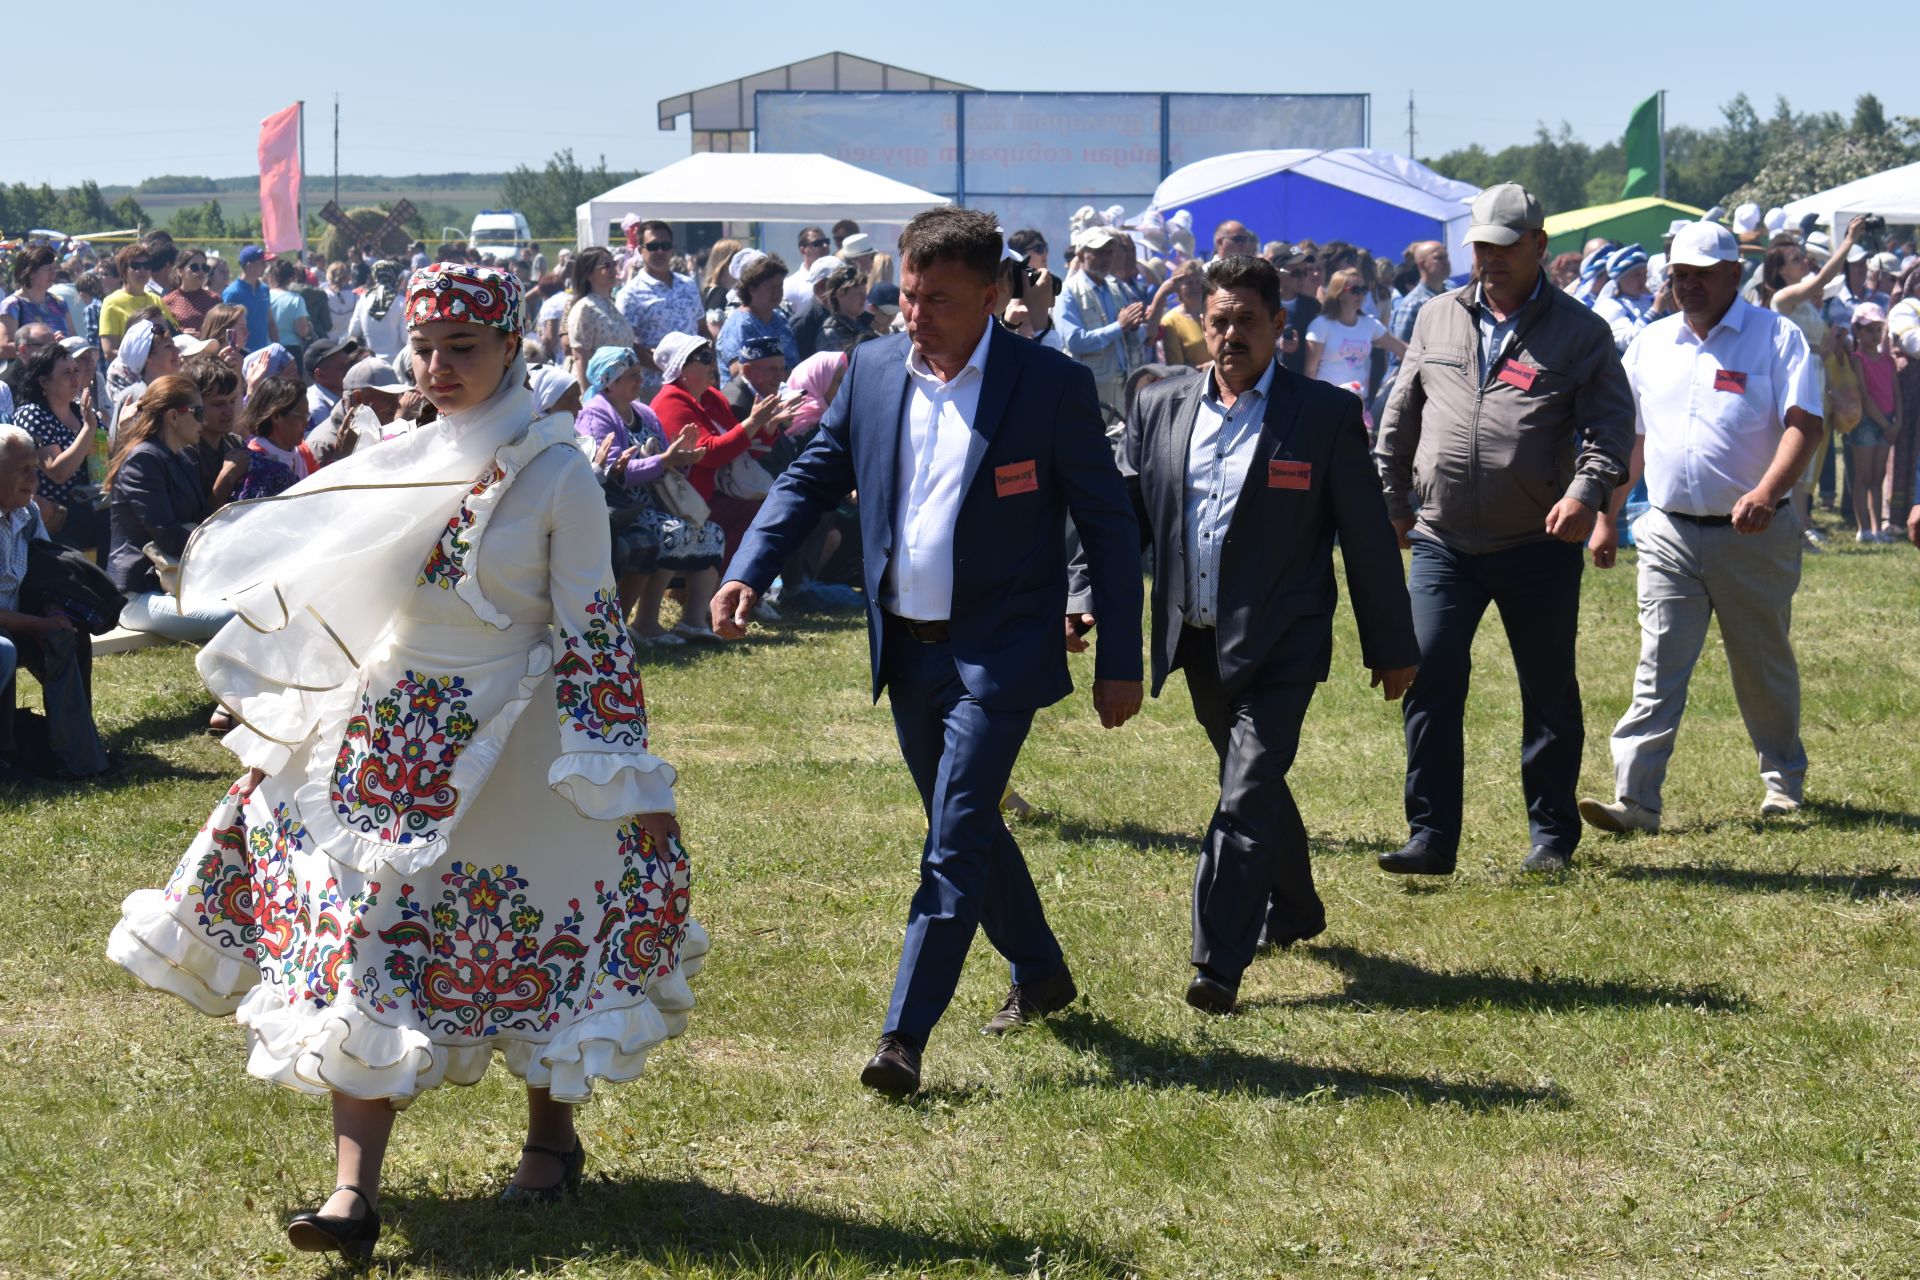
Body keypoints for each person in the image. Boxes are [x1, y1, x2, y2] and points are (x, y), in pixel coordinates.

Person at [108, 262, 707, 1261]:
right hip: (386, 746)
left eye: (462, 348)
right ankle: (353, 1191)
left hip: (519, 746)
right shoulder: (407, 452)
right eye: (425, 348)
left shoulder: (559, 472)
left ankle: (551, 1143)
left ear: (514, 345)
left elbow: (595, 631)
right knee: (370, 941)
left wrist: (623, 773)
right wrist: (274, 699)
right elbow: (334, 587)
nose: (438, 367)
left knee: (533, 942)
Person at [711, 207, 1144, 1097]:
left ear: (993, 296)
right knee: (968, 823)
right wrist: (750, 565)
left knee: (951, 842)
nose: (915, 316)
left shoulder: (1047, 385)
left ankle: (903, 1037)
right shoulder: (872, 371)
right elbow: (812, 475)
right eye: (906, 296)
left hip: (1001, 652)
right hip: (907, 653)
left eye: (939, 301)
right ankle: (1041, 970)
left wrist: (1121, 656)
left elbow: (1108, 523)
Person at [1069, 254, 1417, 1013]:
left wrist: (1392, 645)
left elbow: (1364, 536)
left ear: (1278, 329)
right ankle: (1295, 906)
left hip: (1284, 641)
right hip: (1196, 639)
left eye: (1247, 323)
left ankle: (1217, 961)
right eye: (1219, 320)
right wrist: (1087, 590)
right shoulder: (1160, 404)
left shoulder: (1321, 415)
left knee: (1244, 791)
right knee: (1249, 780)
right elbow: (1122, 514)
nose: (1230, 336)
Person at [1373, 183, 1633, 875]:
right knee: (1427, 676)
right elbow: (1400, 412)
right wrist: (1394, 499)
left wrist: (1586, 492)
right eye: (1479, 246)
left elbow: (1611, 429)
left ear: (1538, 245)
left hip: (1538, 544)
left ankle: (1551, 839)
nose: (1488, 259)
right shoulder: (1435, 316)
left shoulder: (1581, 332)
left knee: (1547, 689)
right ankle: (1430, 837)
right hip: (1441, 540)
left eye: (1503, 245)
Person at [1580, 221, 1824, 835]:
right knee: (1658, 661)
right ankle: (1635, 801)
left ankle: (1782, 783)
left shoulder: (1777, 336)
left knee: (1761, 661)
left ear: (1734, 276)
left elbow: (1805, 425)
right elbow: (1630, 440)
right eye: (1678, 275)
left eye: (1700, 276)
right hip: (1667, 530)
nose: (1686, 286)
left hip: (1755, 533)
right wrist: (1608, 518)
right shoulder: (1651, 343)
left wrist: (1768, 492)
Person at [574, 345, 724, 642]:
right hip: (621, 508)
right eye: (631, 376)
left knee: (712, 533)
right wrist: (666, 459)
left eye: (639, 374)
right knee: (673, 534)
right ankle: (645, 622)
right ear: (609, 381)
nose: (639, 381)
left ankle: (693, 621)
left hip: (655, 504)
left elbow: (665, 461)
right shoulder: (596, 414)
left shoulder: (643, 412)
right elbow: (616, 474)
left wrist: (683, 459)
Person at [0, 423, 107, 781]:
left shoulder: (28, 513)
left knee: (69, 634)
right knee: (6, 649)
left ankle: (78, 749)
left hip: (20, 616)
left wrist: (53, 611)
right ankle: (8, 755)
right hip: (5, 626)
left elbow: (46, 572)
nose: (33, 480)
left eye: (35, 469)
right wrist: (38, 625)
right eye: (23, 470)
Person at [102, 376, 237, 642]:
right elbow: (168, 535)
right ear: (173, 417)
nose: (204, 421)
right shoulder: (143, 459)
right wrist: (225, 551)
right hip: (139, 592)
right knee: (229, 618)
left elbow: (201, 521)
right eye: (198, 412)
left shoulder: (183, 457)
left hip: (178, 582)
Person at [651, 332, 787, 569]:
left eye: (711, 355)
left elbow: (737, 452)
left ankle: (744, 586)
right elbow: (709, 454)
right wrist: (753, 423)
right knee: (759, 514)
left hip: (717, 492)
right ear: (681, 369)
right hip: (686, 501)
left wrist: (767, 428)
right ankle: (724, 588)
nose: (713, 363)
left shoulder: (711, 396)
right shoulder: (670, 402)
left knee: (779, 508)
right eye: (704, 357)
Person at [14, 342, 109, 559]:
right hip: (60, 517)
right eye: (66, 373)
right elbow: (58, 471)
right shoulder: (33, 414)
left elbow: (109, 452)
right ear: (44, 381)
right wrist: (88, 429)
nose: (75, 378)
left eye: (76, 371)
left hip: (95, 507)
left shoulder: (81, 411)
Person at [1055, 226, 1142, 419]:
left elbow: (1130, 333)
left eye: (1109, 252)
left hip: (1123, 385)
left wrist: (1135, 327)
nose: (1106, 258)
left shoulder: (1116, 288)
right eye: (1098, 252)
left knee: (1122, 445)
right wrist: (1119, 326)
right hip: (1090, 388)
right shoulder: (1067, 291)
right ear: (1080, 253)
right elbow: (1074, 341)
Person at [614, 221, 703, 400]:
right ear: (641, 250)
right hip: (655, 385)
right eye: (653, 246)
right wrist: (665, 365)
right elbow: (626, 344)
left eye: (665, 246)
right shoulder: (630, 294)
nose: (660, 252)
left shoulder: (688, 285)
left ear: (673, 248)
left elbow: (701, 327)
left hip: (695, 381)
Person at [1304, 268, 1406, 396]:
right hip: (1326, 402)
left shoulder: (1369, 323)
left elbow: (1401, 349)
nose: (1361, 295)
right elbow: (1310, 370)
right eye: (1355, 290)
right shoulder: (1321, 325)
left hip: (1358, 402)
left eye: (1363, 290)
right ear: (1339, 294)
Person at [1847, 302, 1900, 541]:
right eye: (1869, 330)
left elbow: (1896, 393)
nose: (1874, 335)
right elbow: (1865, 397)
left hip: (1887, 423)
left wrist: (1897, 421)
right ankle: (1864, 528)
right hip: (1868, 423)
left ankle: (1878, 528)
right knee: (1863, 477)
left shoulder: (1888, 361)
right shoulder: (1857, 359)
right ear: (1857, 331)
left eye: (1878, 329)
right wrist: (1886, 425)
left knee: (1878, 478)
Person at [180, 354, 249, 507]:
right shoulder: (184, 453)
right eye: (218, 404)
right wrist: (226, 479)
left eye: (232, 401)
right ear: (195, 404)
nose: (229, 410)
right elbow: (194, 520)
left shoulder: (235, 443)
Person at [232, 378, 314, 501]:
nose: (306, 423)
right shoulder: (253, 462)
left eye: (307, 415)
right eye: (301, 416)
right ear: (276, 416)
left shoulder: (303, 452)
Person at [715, 255, 800, 372]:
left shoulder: (781, 319)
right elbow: (737, 371)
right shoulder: (739, 325)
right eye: (770, 287)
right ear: (752, 289)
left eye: (779, 286)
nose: (776, 292)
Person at [563, 247, 634, 387]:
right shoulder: (585, 308)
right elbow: (580, 357)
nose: (613, 269)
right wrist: (589, 398)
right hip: (598, 388)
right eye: (606, 266)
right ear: (589, 274)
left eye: (614, 264)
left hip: (619, 387)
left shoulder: (610, 305)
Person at [99, 246, 161, 359]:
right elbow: (109, 351)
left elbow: (170, 335)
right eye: (135, 266)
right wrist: (147, 358)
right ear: (123, 271)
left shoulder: (156, 299)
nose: (142, 270)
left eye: (146, 265)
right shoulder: (111, 302)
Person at [1592, 244, 1655, 353]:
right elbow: (1627, 343)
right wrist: (1655, 311)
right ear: (1621, 278)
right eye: (1636, 274)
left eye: (1644, 274)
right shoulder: (1609, 306)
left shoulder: (1647, 299)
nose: (1643, 279)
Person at [2, 246, 71, 343]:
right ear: (30, 272)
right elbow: (3, 347)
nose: (53, 274)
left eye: (54, 268)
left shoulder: (59, 302)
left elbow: (72, 337)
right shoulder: (13, 305)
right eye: (48, 269)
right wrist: (46, 344)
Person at [221, 246, 277, 355]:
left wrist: (277, 345)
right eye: (261, 262)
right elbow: (225, 326)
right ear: (249, 265)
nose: (265, 266)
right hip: (241, 353)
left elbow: (269, 319)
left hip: (263, 351)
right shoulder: (232, 292)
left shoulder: (264, 289)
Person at [347, 260, 408, 359]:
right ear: (396, 278)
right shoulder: (401, 302)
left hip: (369, 361)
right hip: (395, 363)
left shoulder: (363, 299)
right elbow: (406, 338)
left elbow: (353, 331)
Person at [161, 250, 221, 335]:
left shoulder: (215, 299)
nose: (200, 271)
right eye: (194, 267)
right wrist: (181, 334)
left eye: (204, 267)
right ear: (180, 271)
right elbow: (163, 332)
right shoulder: (167, 301)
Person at [817, 265, 872, 354]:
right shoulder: (830, 333)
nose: (864, 297)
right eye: (858, 293)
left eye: (864, 292)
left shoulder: (866, 324)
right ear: (840, 295)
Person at [268, 260, 314, 361]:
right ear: (292, 278)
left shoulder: (264, 297)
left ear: (271, 277)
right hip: (290, 350)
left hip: (267, 348)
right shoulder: (296, 300)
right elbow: (302, 330)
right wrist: (308, 327)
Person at [783, 226, 834, 311]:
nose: (825, 246)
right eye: (817, 243)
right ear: (803, 250)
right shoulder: (790, 285)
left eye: (826, 242)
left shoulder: (838, 277)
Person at [323, 261, 359, 335]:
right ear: (346, 277)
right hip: (349, 340)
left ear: (329, 276)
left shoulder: (323, 296)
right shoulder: (356, 297)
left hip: (328, 340)